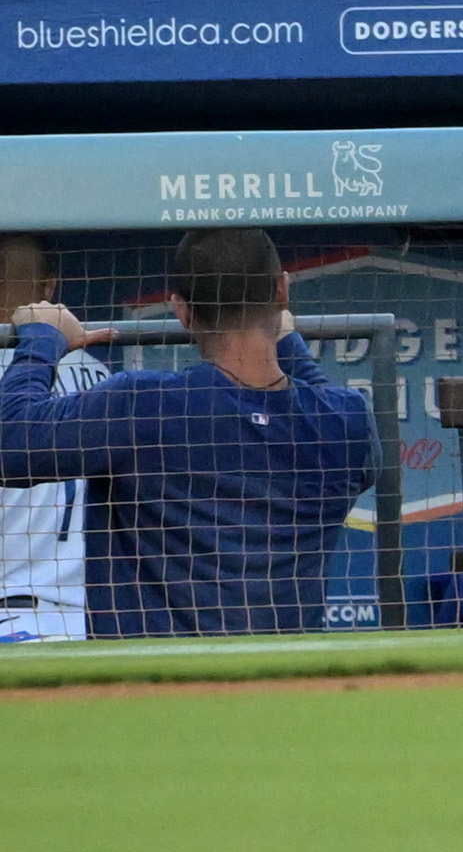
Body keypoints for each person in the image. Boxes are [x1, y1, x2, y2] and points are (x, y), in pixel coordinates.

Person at [0, 226, 374, 640]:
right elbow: (319, 402)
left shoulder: (145, 405)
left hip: (153, 686)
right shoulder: (345, 421)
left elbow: (10, 444)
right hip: (282, 682)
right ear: (282, 291)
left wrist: (41, 339)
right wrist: (290, 346)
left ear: (181, 310)